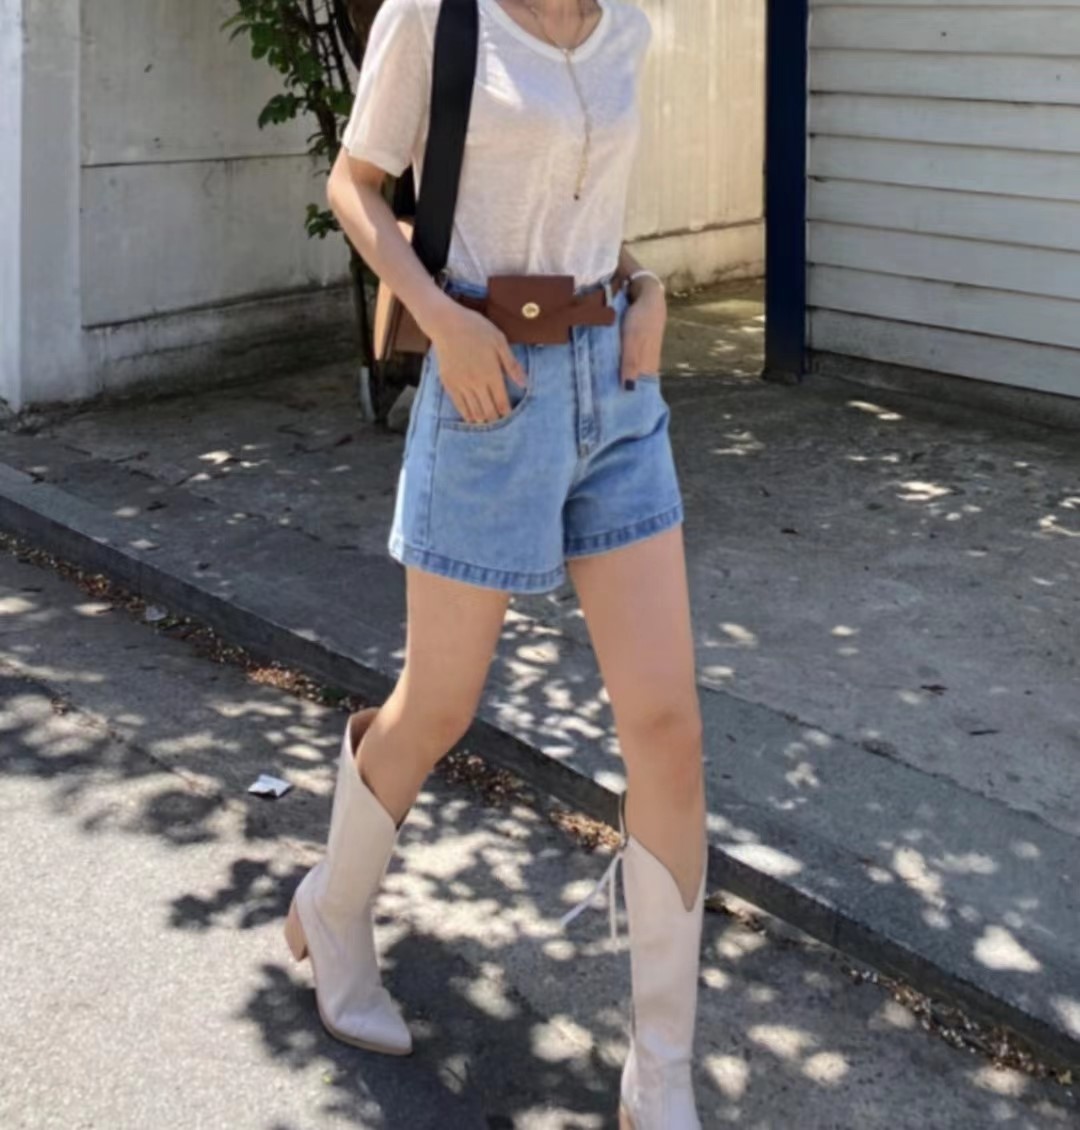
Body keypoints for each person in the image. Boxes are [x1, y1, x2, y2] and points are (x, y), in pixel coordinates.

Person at [283, 1, 707, 1126]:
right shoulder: (437, 15)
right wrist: (439, 318)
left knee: (668, 725)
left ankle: (662, 1069)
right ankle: (333, 908)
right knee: (437, 705)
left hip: (617, 393)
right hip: (487, 388)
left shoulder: (623, 29)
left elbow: (579, 205)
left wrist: (647, 286)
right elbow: (356, 184)